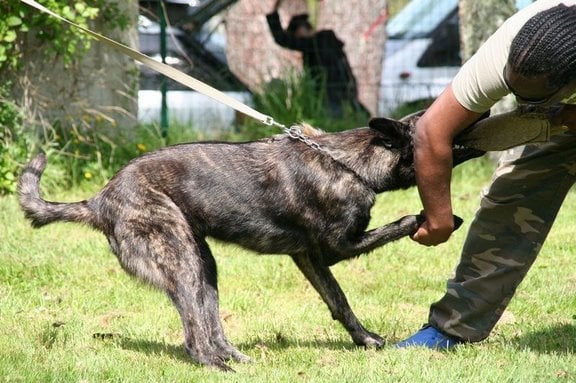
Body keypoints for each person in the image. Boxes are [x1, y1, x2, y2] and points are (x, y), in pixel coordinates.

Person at [397, 0, 576, 349]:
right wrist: (439, 218)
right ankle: (453, 327)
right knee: (514, 194)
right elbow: (432, 131)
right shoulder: (513, 42)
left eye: (537, 101)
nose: (524, 104)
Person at [266, 0, 368, 118]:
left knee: (333, 122)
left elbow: (282, 39)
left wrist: (274, 11)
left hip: (328, 93)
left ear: (299, 31)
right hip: (346, 85)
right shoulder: (328, 39)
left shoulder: (313, 44)